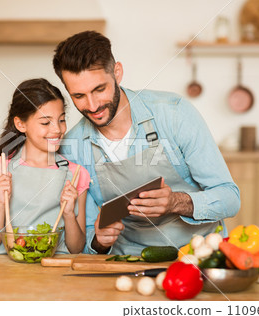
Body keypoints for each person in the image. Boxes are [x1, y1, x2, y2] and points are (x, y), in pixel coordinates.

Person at [53, 31, 240, 255]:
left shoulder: (174, 113)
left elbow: (230, 198)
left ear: (117, 73)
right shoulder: (73, 146)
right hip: (129, 260)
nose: (92, 106)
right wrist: (100, 241)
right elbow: (85, 239)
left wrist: (175, 202)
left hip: (200, 253)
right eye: (79, 96)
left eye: (99, 89)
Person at [0, 78, 90, 254]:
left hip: (55, 272)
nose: (57, 129)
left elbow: (76, 248)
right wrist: (0, 203)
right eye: (46, 123)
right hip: (7, 272)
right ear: (20, 124)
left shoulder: (76, 173)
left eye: (61, 120)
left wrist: (69, 214)